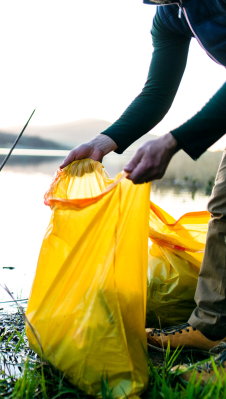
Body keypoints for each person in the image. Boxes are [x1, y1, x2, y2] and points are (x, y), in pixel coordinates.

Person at [61, 0, 226, 380]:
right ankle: (210, 328)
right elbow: (157, 92)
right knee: (224, 206)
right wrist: (105, 142)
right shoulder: (170, 14)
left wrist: (172, 143)